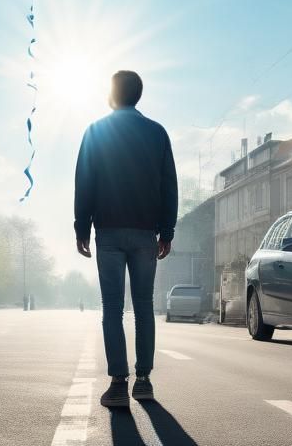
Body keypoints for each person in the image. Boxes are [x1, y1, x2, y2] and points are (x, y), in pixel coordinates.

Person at [74, 70, 177, 409]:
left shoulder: (95, 131)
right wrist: (167, 230)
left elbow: (84, 182)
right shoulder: (157, 132)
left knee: (113, 308)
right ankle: (144, 381)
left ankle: (118, 383)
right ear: (139, 95)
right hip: (146, 233)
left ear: (112, 93)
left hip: (109, 232)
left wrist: (82, 228)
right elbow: (169, 186)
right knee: (144, 306)